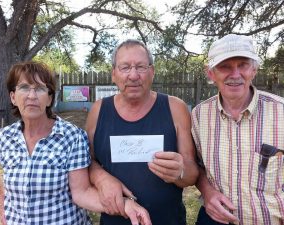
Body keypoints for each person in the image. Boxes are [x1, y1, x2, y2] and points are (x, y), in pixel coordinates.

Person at [0, 61, 152, 225]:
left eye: (40, 89)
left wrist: (124, 204)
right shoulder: (2, 138)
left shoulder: (71, 137)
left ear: (50, 99)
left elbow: (82, 193)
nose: (32, 96)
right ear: (13, 97)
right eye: (24, 87)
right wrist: (0, 202)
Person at [85, 39, 199, 225]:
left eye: (140, 67)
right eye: (125, 67)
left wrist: (181, 171)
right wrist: (101, 177)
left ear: (152, 72)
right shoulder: (99, 110)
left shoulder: (175, 108)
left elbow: (192, 173)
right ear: (114, 74)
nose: (133, 75)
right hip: (115, 220)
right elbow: (87, 161)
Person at [191, 34, 284, 225]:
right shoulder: (200, 115)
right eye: (225, 66)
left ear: (254, 70)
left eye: (242, 65)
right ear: (211, 73)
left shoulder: (281, 111)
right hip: (215, 221)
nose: (235, 74)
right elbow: (197, 166)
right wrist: (207, 192)